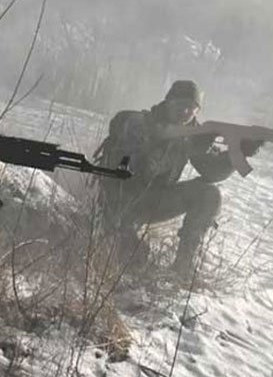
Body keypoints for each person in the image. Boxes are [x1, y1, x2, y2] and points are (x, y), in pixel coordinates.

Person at [96, 80, 262, 277]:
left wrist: (238, 153)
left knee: (208, 194)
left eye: (191, 108)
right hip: (120, 200)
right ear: (167, 102)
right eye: (180, 105)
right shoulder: (139, 123)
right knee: (133, 261)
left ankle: (183, 267)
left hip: (155, 200)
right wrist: (163, 141)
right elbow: (125, 165)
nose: (185, 112)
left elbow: (211, 173)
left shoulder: (193, 135)